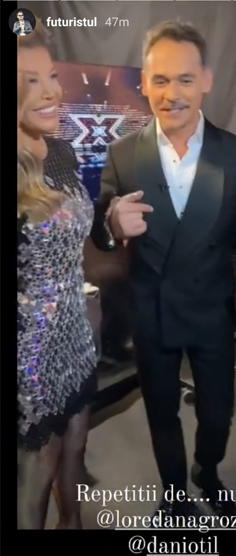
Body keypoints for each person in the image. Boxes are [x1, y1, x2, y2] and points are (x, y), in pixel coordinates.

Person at [95, 20, 236, 519]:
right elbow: (101, 225)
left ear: (206, 81)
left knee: (217, 415)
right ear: (144, 83)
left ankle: (206, 473)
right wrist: (110, 224)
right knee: (161, 412)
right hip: (152, 312)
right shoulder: (123, 154)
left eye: (185, 79)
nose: (172, 94)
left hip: (211, 310)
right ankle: (174, 494)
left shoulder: (233, 153)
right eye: (161, 80)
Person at [16, 23, 94, 530]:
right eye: (30, 81)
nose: (50, 92)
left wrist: (110, 225)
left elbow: (76, 233)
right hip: (30, 351)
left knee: (76, 447)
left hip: (78, 332)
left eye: (51, 76)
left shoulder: (63, 152)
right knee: (38, 470)